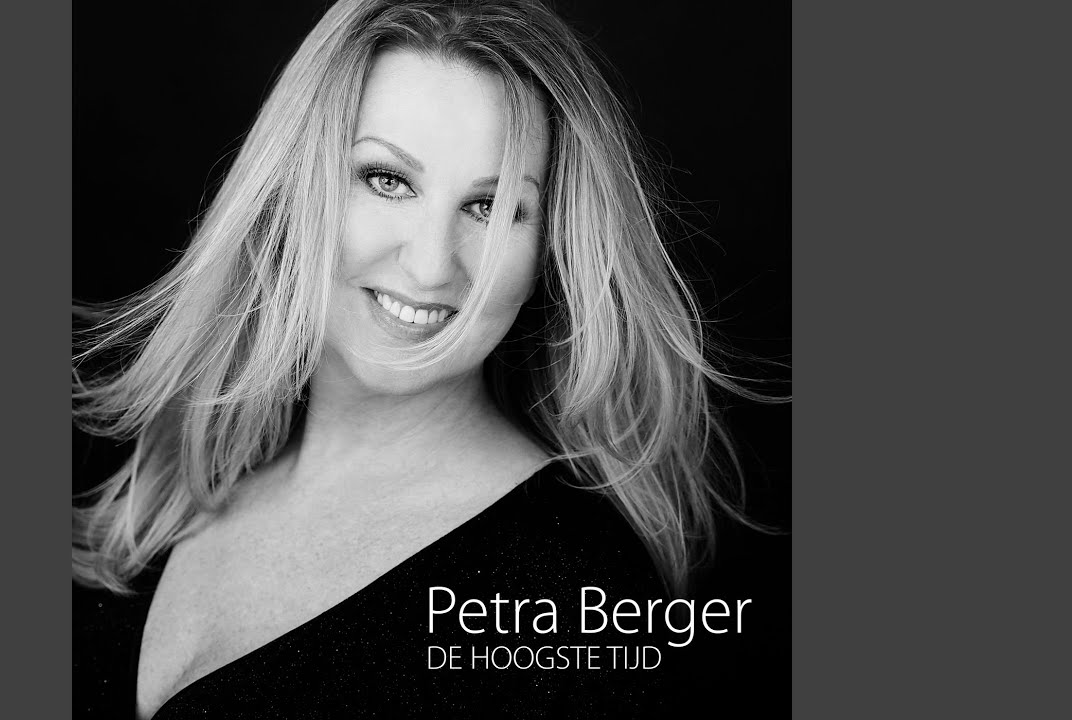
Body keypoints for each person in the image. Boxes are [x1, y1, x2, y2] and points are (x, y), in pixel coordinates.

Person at [73, 0, 783, 717]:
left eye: (491, 208)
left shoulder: (567, 597)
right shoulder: (161, 482)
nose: (430, 265)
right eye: (388, 180)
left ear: (550, 248)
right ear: (289, 187)